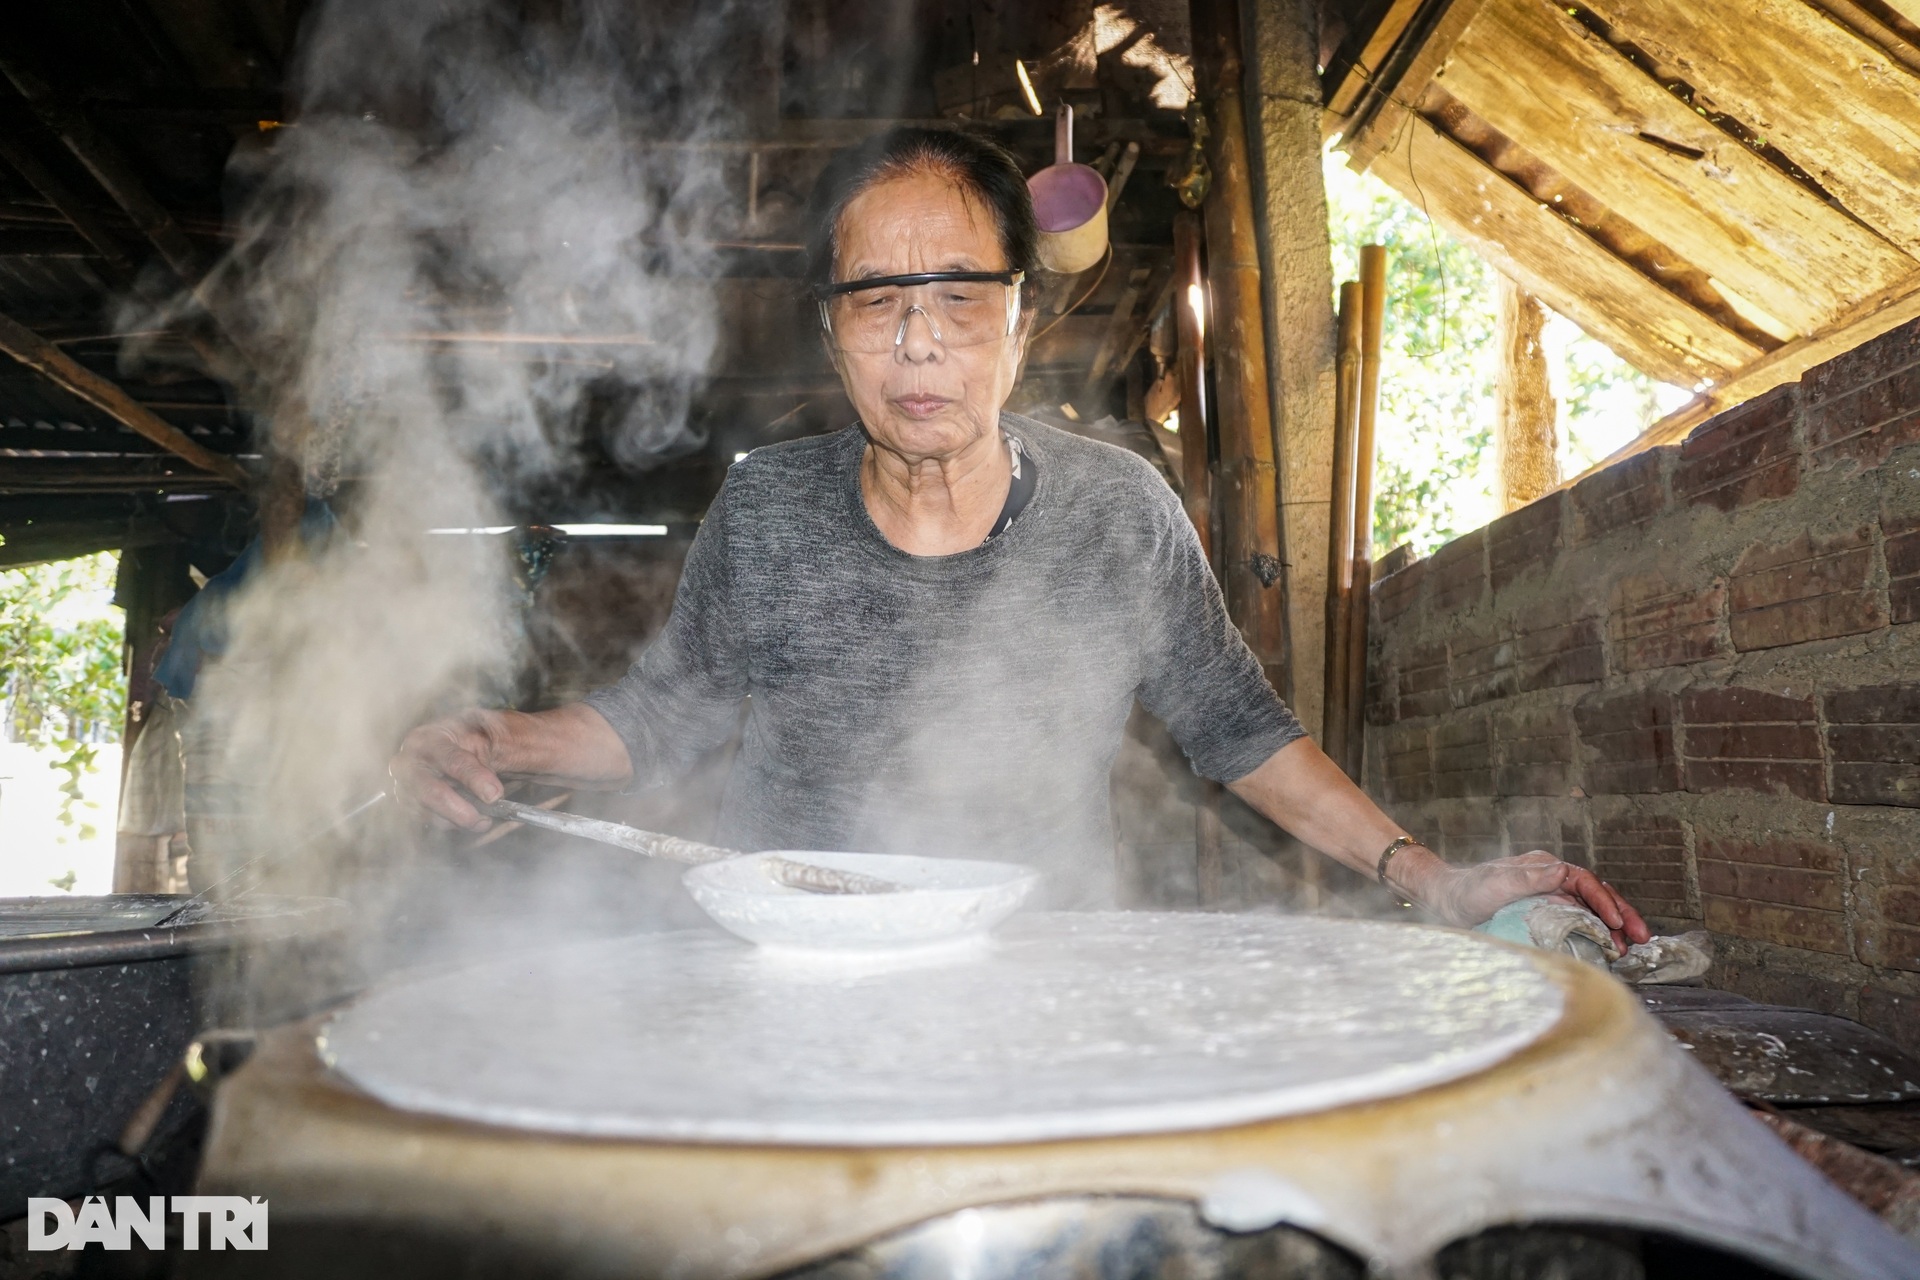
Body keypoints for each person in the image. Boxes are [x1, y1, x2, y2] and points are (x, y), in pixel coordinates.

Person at [392, 127, 1648, 948]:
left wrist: (1429, 877)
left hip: (1045, 975)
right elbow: (656, 715)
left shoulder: (1116, 514)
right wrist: (498, 735)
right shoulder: (767, 508)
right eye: (877, 301)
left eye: (957, 296)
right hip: (794, 981)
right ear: (831, 331)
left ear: (1021, 320)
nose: (919, 340)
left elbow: (1242, 732)